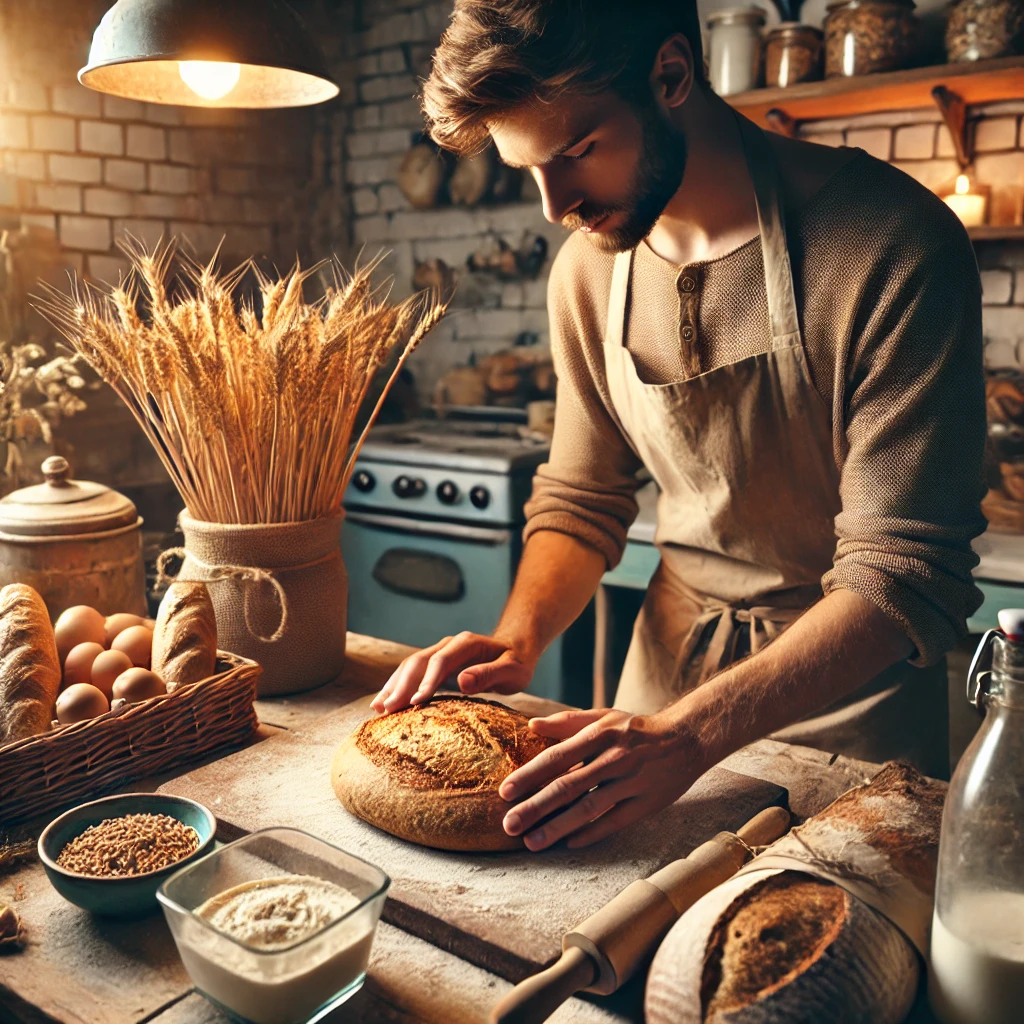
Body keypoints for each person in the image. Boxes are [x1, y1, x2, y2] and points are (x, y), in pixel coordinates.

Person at [371, 0, 987, 852]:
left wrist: (696, 736)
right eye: (529, 171)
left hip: (845, 710)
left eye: (577, 151)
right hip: (655, 694)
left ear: (670, 75)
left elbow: (901, 575)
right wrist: (518, 636)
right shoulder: (587, 271)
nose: (555, 207)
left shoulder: (891, 246)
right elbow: (583, 496)